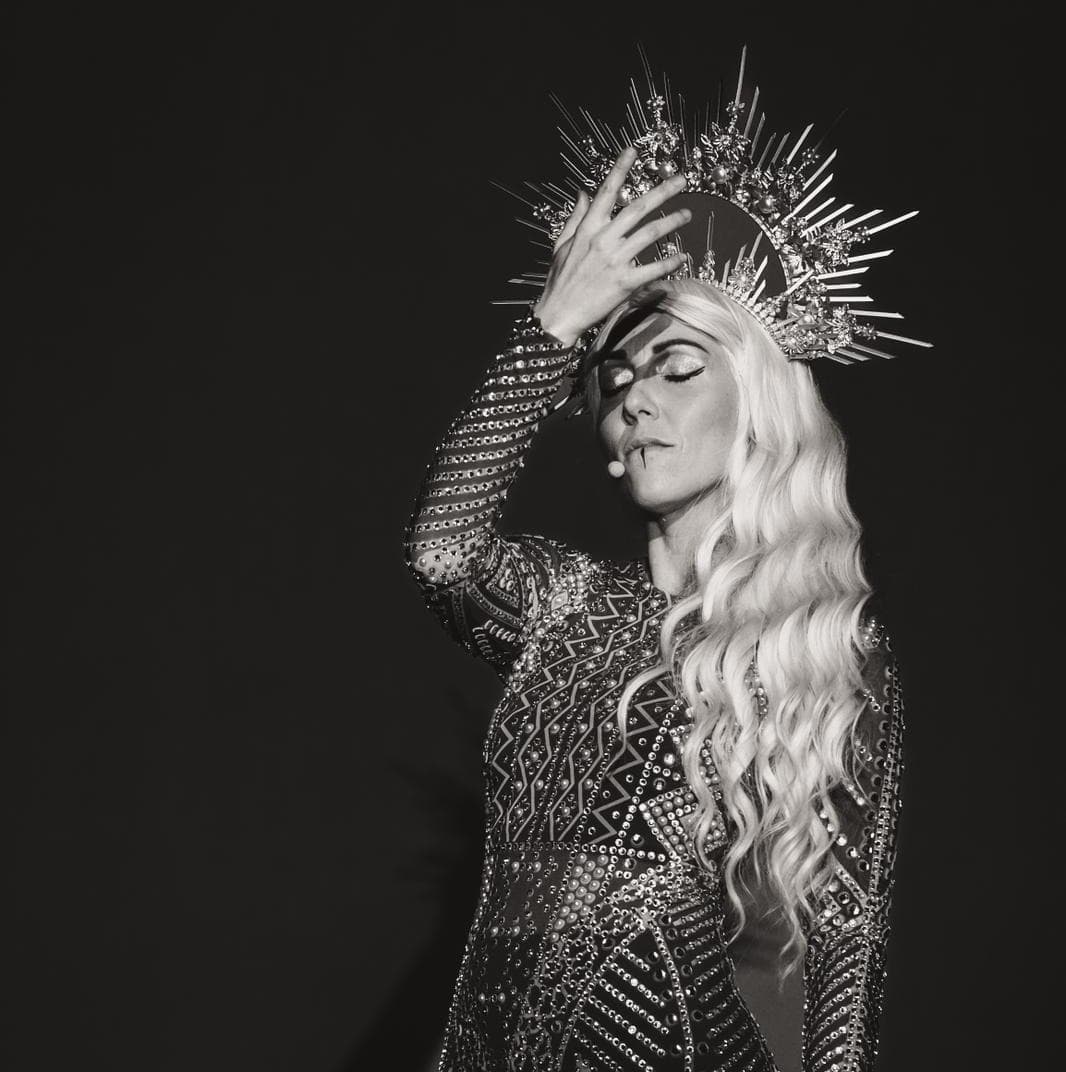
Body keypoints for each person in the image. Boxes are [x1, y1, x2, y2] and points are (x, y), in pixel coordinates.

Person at [403, 62, 910, 1072]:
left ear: (755, 402)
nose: (635, 398)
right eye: (617, 380)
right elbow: (442, 551)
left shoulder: (820, 649)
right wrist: (551, 329)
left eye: (678, 369)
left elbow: (841, 962)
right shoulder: (564, 603)